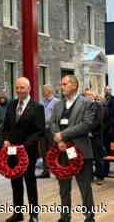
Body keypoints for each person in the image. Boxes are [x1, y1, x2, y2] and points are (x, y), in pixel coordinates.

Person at [50, 75, 96, 222]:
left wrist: (62, 135)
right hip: (61, 151)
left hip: (80, 151)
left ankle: (89, 217)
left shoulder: (87, 103)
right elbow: (52, 124)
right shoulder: (58, 105)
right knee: (63, 187)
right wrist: (59, 141)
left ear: (74, 86)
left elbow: (85, 125)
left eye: (64, 84)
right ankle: (65, 216)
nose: (61, 86)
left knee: (85, 187)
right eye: (61, 84)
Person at [2, 77, 45, 222]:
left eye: (22, 88)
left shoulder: (37, 107)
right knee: (15, 182)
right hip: (12, 151)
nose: (19, 90)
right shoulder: (11, 105)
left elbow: (39, 131)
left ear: (29, 89)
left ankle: (34, 215)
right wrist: (6, 139)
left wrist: (24, 146)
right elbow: (6, 126)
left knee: (30, 182)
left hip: (28, 151)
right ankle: (18, 213)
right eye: (17, 87)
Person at [37, 84, 60, 178]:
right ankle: (45, 171)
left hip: (52, 130)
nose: (43, 92)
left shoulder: (57, 102)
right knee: (43, 150)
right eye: (43, 90)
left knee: (53, 150)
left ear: (50, 91)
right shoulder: (41, 102)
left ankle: (56, 170)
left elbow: (57, 117)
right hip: (42, 130)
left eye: (44, 90)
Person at [84, 89, 106, 185]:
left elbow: (98, 120)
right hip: (86, 136)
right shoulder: (84, 106)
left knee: (98, 157)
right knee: (88, 158)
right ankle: (90, 177)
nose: (88, 96)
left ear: (93, 96)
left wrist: (89, 129)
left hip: (96, 135)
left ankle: (100, 176)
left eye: (89, 95)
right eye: (86, 95)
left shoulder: (98, 105)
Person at [103, 86, 114, 176]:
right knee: (105, 150)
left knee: (111, 150)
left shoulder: (113, 100)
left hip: (111, 130)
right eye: (106, 90)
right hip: (104, 130)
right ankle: (105, 169)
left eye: (109, 90)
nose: (108, 91)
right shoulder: (103, 100)